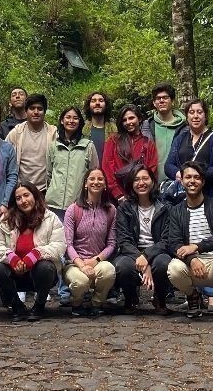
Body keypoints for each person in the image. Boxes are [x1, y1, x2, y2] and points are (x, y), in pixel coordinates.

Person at [164, 162, 213, 327]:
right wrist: (191, 258)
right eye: (188, 177)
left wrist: (197, 246)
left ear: (203, 181)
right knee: (173, 268)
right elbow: (173, 243)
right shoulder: (176, 211)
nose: (192, 181)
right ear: (181, 181)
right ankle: (193, 297)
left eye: (197, 177)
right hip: (192, 267)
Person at [0, 183, 66, 321]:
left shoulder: (50, 218)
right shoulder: (6, 219)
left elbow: (59, 245)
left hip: (39, 274)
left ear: (34, 195)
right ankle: (16, 305)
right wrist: (10, 257)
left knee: (45, 267)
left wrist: (36, 254)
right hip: (14, 273)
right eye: (18, 198)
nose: (23, 201)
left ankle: (39, 305)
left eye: (26, 195)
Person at [46, 104, 99, 306]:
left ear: (80, 122)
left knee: (77, 246)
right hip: (55, 205)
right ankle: (63, 290)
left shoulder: (88, 146)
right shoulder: (54, 146)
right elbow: (48, 174)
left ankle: (81, 285)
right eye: (67, 117)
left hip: (79, 205)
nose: (71, 121)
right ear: (61, 120)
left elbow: (94, 174)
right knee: (61, 248)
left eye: (75, 118)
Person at [112, 164, 171, 314]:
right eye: (136, 180)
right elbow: (123, 241)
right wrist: (142, 259)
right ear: (131, 184)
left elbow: (166, 239)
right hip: (132, 252)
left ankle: (160, 298)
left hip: (157, 251)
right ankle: (130, 298)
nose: (141, 183)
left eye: (145, 178)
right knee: (123, 266)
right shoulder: (124, 208)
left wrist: (147, 256)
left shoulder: (165, 207)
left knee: (163, 263)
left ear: (152, 181)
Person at [62, 169, 117, 316]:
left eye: (100, 179)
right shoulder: (73, 209)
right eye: (92, 179)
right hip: (74, 263)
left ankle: (96, 303)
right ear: (85, 184)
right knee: (80, 282)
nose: (96, 182)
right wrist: (81, 264)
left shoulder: (111, 210)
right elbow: (68, 244)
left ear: (105, 184)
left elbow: (111, 243)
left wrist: (96, 260)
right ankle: (77, 303)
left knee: (109, 271)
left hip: (98, 261)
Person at [165, 99, 213, 199]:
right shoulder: (180, 139)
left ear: (205, 115)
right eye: (191, 112)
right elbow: (168, 165)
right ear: (187, 116)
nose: (195, 116)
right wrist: (179, 174)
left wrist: (195, 175)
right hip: (184, 198)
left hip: (210, 197)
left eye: (199, 112)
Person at [102, 105, 159, 202]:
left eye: (131, 118)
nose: (128, 122)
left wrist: (143, 193)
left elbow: (152, 170)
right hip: (117, 198)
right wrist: (118, 194)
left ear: (139, 119)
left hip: (142, 197)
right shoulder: (113, 141)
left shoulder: (148, 144)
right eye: (124, 120)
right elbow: (107, 168)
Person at [6, 93, 57, 195]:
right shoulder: (16, 133)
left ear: (44, 112)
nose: (36, 112)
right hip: (21, 190)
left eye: (40, 109)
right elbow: (4, 160)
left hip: (45, 190)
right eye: (32, 108)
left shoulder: (53, 133)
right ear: (26, 111)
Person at [142, 84, 183, 164]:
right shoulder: (146, 126)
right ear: (154, 103)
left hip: (178, 175)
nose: (161, 101)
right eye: (158, 98)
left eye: (165, 97)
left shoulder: (184, 127)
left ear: (173, 101)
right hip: (152, 175)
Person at [82, 91, 116, 162]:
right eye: (93, 101)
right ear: (88, 106)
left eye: (101, 100)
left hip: (109, 171)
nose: (97, 103)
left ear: (106, 105)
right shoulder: (81, 130)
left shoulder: (116, 130)